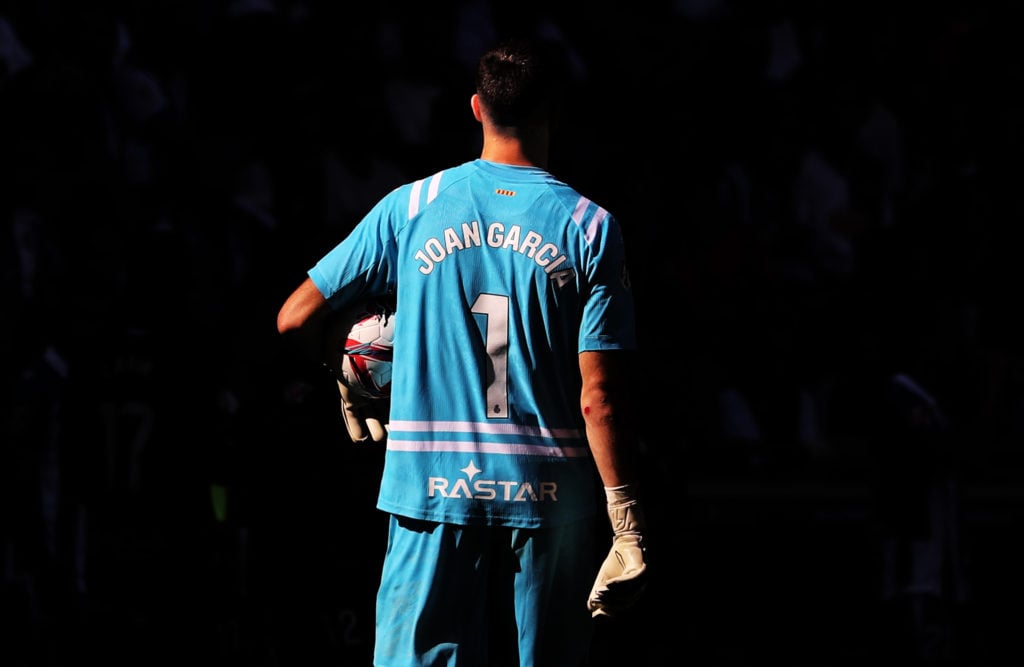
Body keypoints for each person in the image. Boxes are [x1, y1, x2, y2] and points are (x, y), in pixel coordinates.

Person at [277, 36, 649, 666]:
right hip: (548, 494)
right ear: (553, 111)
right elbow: (599, 398)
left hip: (429, 480)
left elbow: (293, 318)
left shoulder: (412, 206)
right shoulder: (589, 226)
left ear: (476, 108)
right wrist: (627, 519)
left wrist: (347, 371)